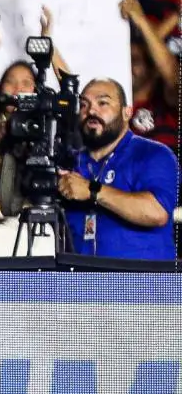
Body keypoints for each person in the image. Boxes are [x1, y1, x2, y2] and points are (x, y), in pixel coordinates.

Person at [58, 78, 180, 259]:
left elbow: (157, 212)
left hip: (144, 282)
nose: (91, 110)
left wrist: (92, 190)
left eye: (103, 103)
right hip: (83, 281)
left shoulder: (153, 153)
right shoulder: (69, 162)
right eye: (84, 105)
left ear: (127, 112)